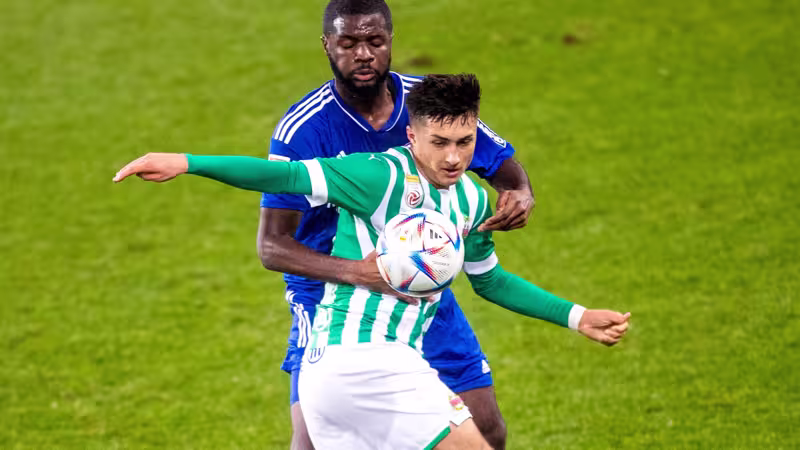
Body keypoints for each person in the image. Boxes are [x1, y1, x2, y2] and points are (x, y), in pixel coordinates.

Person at [114, 73, 631, 450]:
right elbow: (285, 177)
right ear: (412, 136)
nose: (454, 157)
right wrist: (186, 162)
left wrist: (577, 316)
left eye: (465, 143)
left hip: (338, 373)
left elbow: (491, 282)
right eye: (439, 143)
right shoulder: (377, 176)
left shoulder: (473, 201)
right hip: (368, 360)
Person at [259, 1, 532, 447]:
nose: (363, 54)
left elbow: (498, 163)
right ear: (327, 45)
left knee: (486, 428)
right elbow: (272, 246)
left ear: (390, 41)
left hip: (419, 276)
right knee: (311, 439)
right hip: (329, 292)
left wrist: (520, 190)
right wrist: (359, 272)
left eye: (374, 41)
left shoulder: (425, 103)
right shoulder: (304, 130)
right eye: (349, 43)